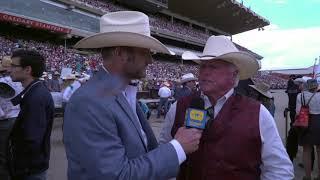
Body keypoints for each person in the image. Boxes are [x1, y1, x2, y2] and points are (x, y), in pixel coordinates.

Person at [63, 11, 202, 180]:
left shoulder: (121, 93)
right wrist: (178, 147)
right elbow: (117, 176)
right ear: (120, 53)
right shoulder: (89, 102)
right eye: (145, 52)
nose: (150, 60)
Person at [160, 35, 294, 179]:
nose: (204, 72)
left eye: (213, 67)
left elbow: (280, 170)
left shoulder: (258, 113)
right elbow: (164, 155)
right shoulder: (178, 107)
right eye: (203, 66)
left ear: (234, 74)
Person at [8, 49, 55, 180]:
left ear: (27, 70)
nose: (9, 69)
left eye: (13, 66)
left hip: (30, 170)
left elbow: (32, 139)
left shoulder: (36, 97)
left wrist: (19, 167)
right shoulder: (34, 91)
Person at [0, 56, 23, 180]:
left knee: (3, 154)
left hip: (6, 120)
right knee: (17, 150)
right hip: (19, 118)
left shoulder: (1, 81)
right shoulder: (20, 81)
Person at [296, 79, 320, 180]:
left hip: (306, 122)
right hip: (319, 121)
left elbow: (297, 112)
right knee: (319, 150)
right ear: (316, 86)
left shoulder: (300, 96)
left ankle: (308, 176)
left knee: (307, 150)